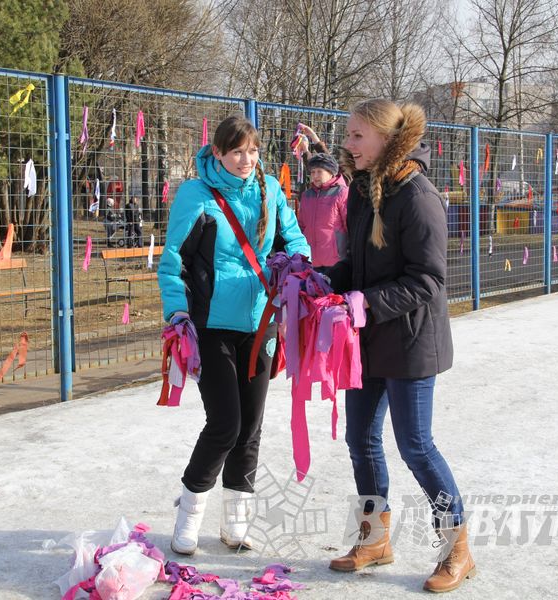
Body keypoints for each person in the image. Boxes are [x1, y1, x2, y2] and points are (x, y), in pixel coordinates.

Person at [323, 99, 474, 593]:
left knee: (415, 445)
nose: (347, 143)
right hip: (366, 338)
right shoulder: (365, 191)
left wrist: (363, 302)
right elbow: (359, 267)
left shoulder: (418, 195)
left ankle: (458, 547)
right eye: (348, 134)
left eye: (357, 135)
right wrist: (319, 280)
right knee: (361, 439)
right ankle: (374, 539)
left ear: (386, 140)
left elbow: (429, 279)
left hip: (410, 341)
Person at [157, 116, 310, 555]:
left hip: (261, 325)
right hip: (210, 326)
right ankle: (188, 513)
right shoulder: (195, 195)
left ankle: (235, 523)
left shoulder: (270, 190)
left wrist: (298, 269)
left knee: (251, 428)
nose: (247, 160)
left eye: (253, 151)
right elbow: (172, 263)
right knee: (225, 424)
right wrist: (178, 315)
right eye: (237, 151)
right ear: (219, 153)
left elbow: (295, 241)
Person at [297, 152, 349, 268]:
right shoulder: (306, 196)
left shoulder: (341, 193)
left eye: (319, 171)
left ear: (331, 172)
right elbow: (301, 226)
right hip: (310, 260)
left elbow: (349, 226)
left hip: (336, 262)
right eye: (312, 172)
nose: (315, 176)